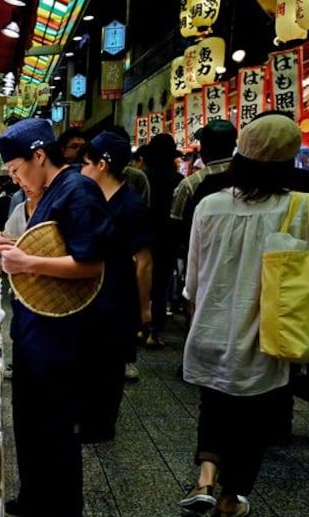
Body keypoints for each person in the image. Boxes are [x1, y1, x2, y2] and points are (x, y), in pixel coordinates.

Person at [178, 113, 309, 517]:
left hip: (210, 326)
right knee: (256, 415)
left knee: (214, 402)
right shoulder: (303, 205)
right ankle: (229, 500)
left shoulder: (210, 205)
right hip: (267, 332)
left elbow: (192, 280)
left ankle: (204, 480)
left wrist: (196, 311)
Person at [0, 118, 111, 517]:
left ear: (40, 156)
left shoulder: (79, 192)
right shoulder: (47, 194)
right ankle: (34, 504)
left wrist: (26, 260)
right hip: (37, 331)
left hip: (63, 337)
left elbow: (89, 264)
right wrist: (10, 245)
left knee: (55, 433)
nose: (14, 179)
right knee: (33, 426)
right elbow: (50, 249)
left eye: (16, 169)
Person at [77, 131, 153, 437]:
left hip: (118, 298)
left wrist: (144, 308)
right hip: (91, 294)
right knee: (89, 359)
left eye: (85, 163)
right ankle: (85, 417)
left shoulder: (131, 206)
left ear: (103, 164)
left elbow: (145, 261)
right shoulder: (93, 199)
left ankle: (101, 427)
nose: (81, 170)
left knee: (109, 365)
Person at [138, 134, 184, 347]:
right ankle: (154, 332)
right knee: (161, 286)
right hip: (167, 238)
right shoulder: (178, 181)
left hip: (143, 237)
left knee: (140, 281)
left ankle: (139, 327)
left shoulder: (143, 177)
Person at [169, 119, 238, 247]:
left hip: (200, 256)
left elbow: (175, 224)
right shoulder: (249, 178)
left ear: (204, 150)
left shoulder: (190, 184)